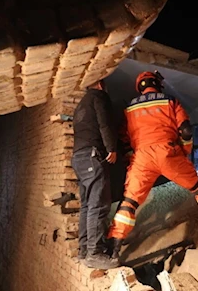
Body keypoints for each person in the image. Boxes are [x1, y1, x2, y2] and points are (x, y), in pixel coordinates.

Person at [107, 70, 198, 260]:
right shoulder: (170, 101)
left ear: (140, 87)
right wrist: (184, 152)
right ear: (157, 83)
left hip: (142, 157)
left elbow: (124, 138)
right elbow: (186, 130)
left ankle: (114, 247)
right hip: (168, 153)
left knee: (129, 202)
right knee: (197, 186)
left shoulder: (129, 108)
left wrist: (133, 158)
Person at [72, 79, 119, 269]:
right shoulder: (98, 97)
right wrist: (112, 149)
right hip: (92, 157)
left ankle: (84, 250)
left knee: (86, 206)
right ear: (99, 84)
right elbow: (105, 124)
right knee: (98, 206)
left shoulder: (80, 105)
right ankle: (95, 253)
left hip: (78, 159)